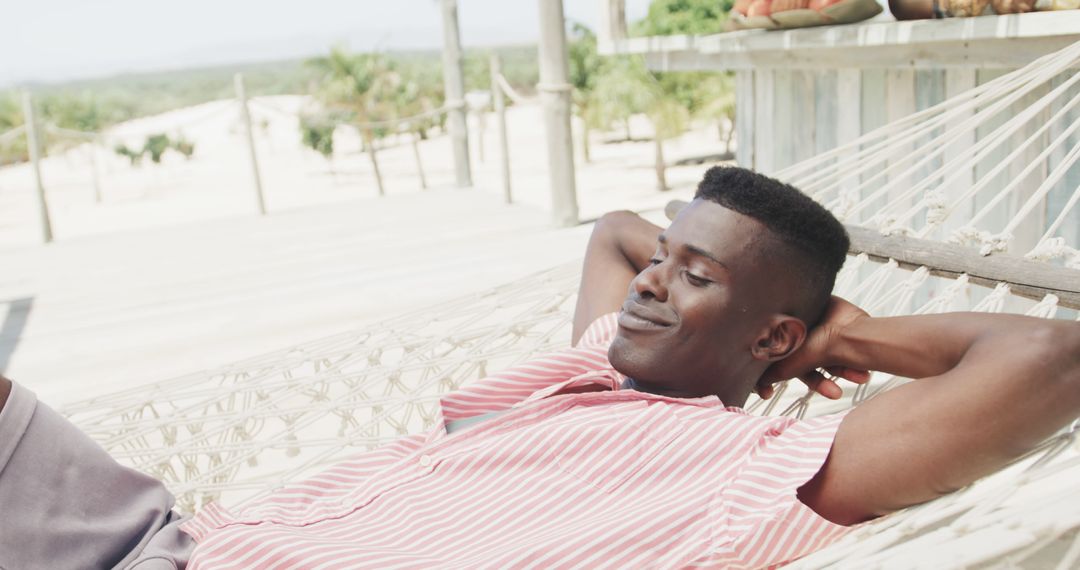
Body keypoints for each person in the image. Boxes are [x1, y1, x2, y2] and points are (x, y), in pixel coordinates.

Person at [1, 166, 1078, 569]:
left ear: (770, 342)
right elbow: (615, 230)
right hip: (158, 535)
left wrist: (837, 334)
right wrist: (695, 273)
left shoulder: (747, 467)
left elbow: (1049, 355)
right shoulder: (594, 364)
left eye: (692, 276)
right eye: (665, 260)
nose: (650, 281)